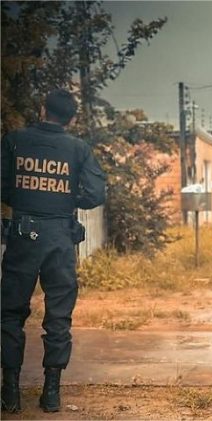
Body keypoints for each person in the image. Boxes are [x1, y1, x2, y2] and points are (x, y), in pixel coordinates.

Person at [1, 89, 106, 412]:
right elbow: (96, 193)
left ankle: (10, 391)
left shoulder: (14, 140)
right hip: (60, 237)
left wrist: (23, 199)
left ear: (42, 109)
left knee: (10, 313)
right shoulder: (78, 149)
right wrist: (67, 199)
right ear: (71, 119)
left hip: (23, 234)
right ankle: (51, 393)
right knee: (58, 315)